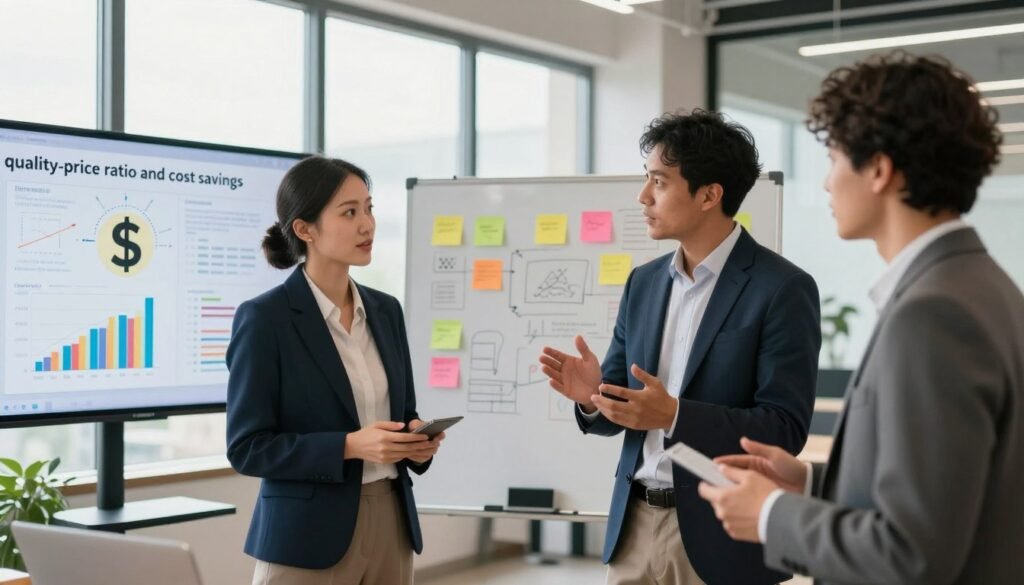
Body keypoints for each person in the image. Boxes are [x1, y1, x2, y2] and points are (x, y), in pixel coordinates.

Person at [698, 52, 1024, 585]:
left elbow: (912, 554)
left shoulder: (933, 315)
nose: (826, 184)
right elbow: (948, 494)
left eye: (833, 159)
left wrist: (772, 515)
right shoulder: (985, 286)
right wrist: (809, 481)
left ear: (878, 168)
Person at [539, 110, 821, 584]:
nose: (643, 196)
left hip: (722, 532)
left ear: (711, 194)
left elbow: (783, 430)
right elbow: (623, 409)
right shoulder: (644, 283)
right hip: (632, 529)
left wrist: (673, 415)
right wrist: (595, 398)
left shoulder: (782, 288)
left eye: (660, 182)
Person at [226, 156, 444, 585]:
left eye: (369, 208)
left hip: (391, 521)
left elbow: (404, 411)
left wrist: (415, 439)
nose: (367, 225)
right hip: (305, 533)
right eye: (349, 212)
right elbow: (248, 447)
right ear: (305, 229)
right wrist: (349, 446)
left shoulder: (386, 311)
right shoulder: (264, 319)